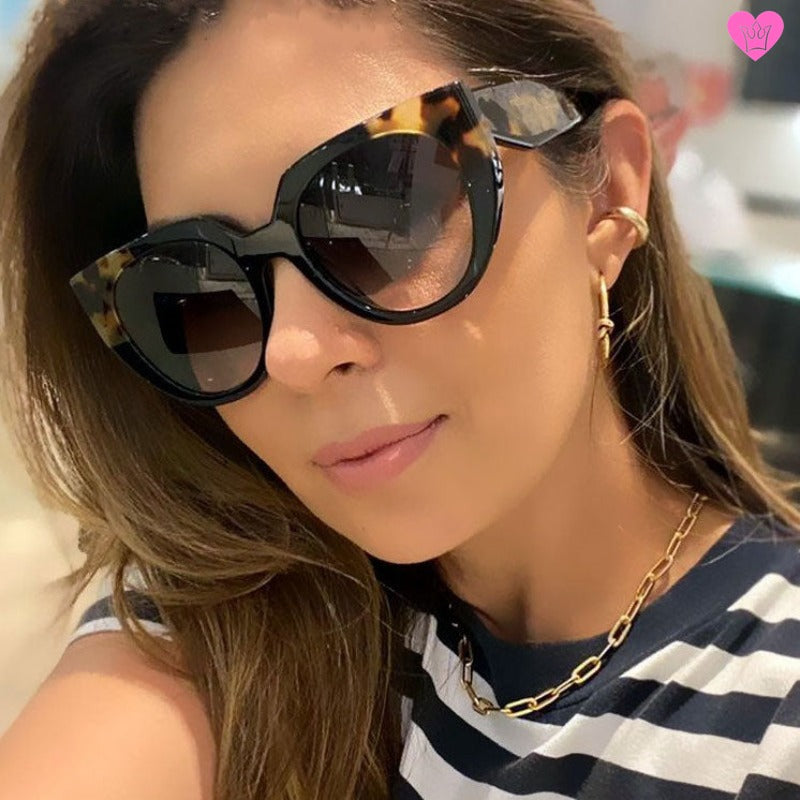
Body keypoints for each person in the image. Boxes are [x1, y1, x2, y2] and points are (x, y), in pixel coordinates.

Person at [1, 1, 799, 798]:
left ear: (606, 196)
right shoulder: (233, 606)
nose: (293, 353)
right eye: (197, 288)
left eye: (384, 209)